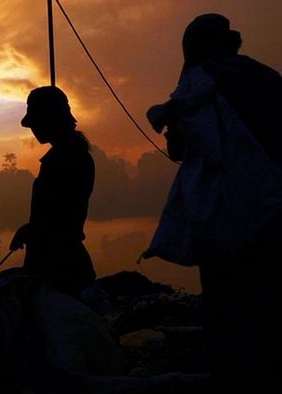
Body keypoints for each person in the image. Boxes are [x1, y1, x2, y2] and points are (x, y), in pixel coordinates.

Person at [144, 13, 282, 392]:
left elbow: (178, 146)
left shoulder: (200, 83)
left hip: (227, 222)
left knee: (229, 318)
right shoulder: (269, 79)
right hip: (273, 217)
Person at [9, 86, 96, 299]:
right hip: (58, 263)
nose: (33, 128)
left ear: (49, 119)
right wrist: (30, 229)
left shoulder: (64, 160)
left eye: (37, 121)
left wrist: (32, 230)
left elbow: (60, 218)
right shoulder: (68, 156)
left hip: (58, 268)